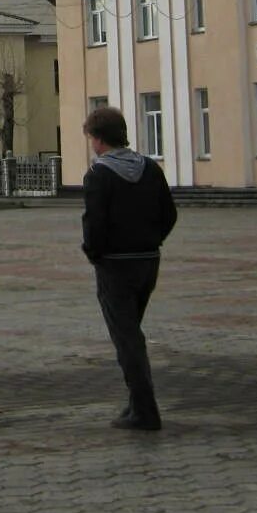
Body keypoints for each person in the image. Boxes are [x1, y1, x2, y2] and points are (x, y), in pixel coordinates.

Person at [81, 105, 178, 432]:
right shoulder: (150, 168)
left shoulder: (98, 174)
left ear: (98, 139)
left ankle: (145, 410)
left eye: (91, 137)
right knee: (130, 332)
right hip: (148, 261)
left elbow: (94, 222)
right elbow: (169, 215)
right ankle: (137, 404)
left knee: (127, 338)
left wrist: (95, 253)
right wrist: (151, 241)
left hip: (114, 265)